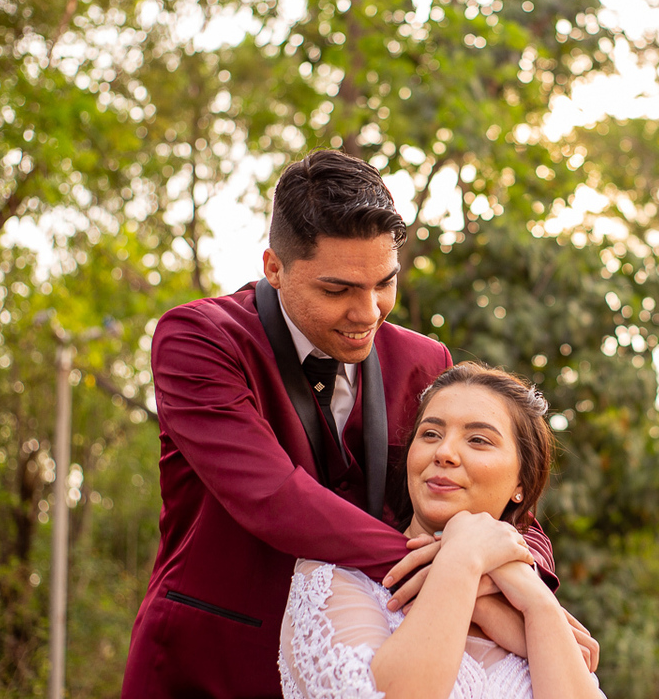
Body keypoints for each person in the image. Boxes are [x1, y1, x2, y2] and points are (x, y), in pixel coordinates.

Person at [122, 151, 557, 697]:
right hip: (210, 664)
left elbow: (508, 503)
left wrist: (523, 580)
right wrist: (457, 569)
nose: (369, 311)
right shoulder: (198, 339)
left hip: (370, 664)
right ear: (274, 267)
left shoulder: (426, 361)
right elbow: (273, 497)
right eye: (338, 290)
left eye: (384, 283)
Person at [280, 362, 603, 699]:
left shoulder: (522, 600)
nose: (444, 453)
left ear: (521, 482)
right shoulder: (335, 580)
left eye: (478, 440)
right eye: (430, 434)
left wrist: (539, 605)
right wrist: (462, 556)